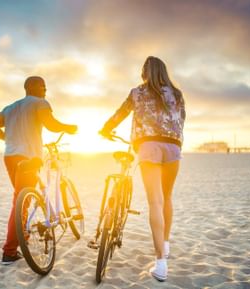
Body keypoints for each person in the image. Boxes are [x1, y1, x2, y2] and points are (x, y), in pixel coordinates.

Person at [100, 56, 186, 281]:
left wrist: (105, 129)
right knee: (167, 197)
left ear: (145, 72)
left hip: (148, 146)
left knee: (154, 202)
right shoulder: (177, 94)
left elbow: (120, 114)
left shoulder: (137, 93)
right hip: (174, 147)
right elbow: (181, 120)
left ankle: (161, 263)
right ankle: (165, 245)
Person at [0, 76, 77, 265]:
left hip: (10, 157)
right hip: (29, 157)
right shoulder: (40, 103)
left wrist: (9, 139)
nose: (46, 90)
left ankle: (23, 237)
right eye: (44, 86)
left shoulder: (11, 107)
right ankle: (9, 251)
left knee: (22, 198)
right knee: (21, 201)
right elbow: (51, 124)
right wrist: (69, 128)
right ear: (35, 87)